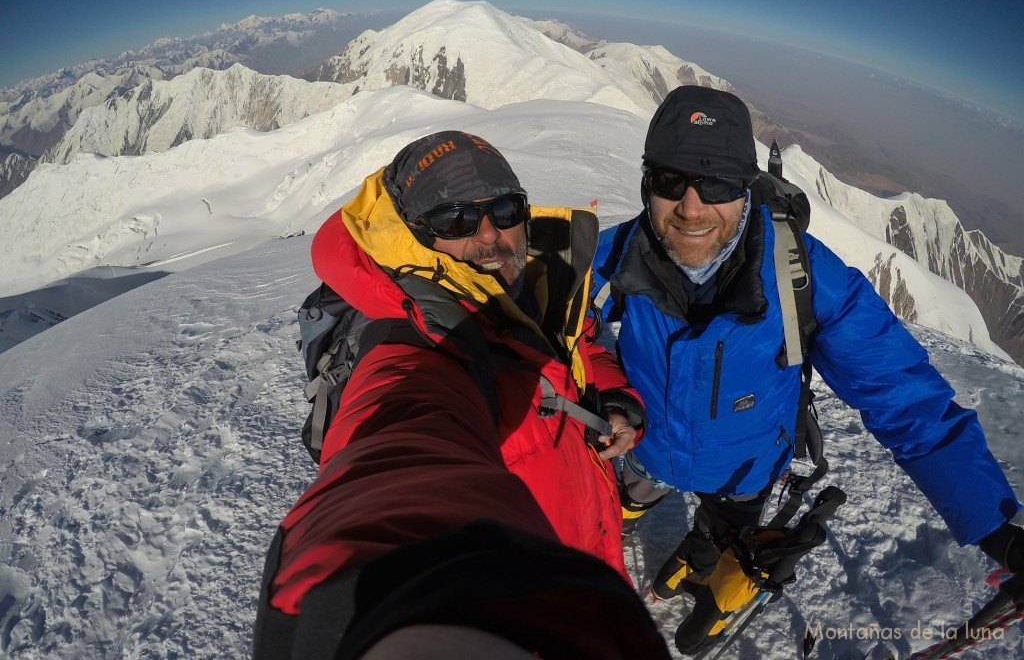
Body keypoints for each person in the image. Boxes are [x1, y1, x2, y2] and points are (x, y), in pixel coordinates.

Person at [591, 85, 1024, 655]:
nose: (691, 207)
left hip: (744, 471)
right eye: (671, 181)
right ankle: (666, 526)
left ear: (745, 189)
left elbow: (907, 399)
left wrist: (996, 529)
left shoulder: (804, 277)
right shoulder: (615, 254)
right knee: (657, 492)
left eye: (716, 184)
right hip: (646, 446)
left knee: (722, 528)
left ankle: (702, 557)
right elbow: (554, 327)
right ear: (647, 181)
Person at [253, 131, 663, 659]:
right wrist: (390, 603)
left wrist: (614, 400)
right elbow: (400, 440)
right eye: (455, 220)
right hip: (523, 599)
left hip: (581, 547)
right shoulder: (413, 341)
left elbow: (577, 342)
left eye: (504, 209)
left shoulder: (528, 280)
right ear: (416, 234)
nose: (490, 235)